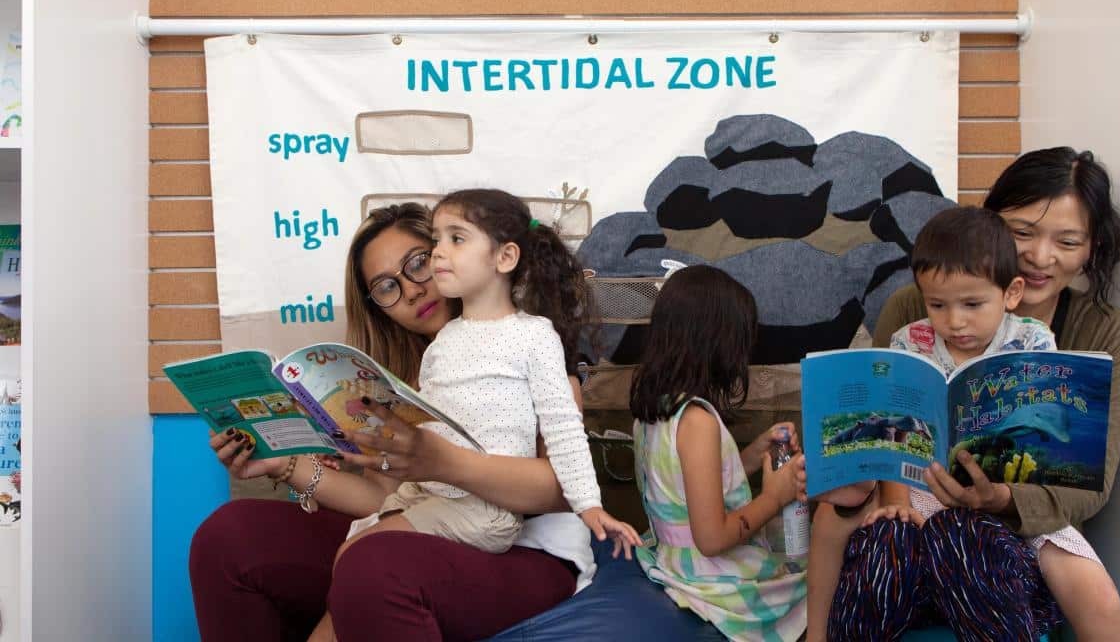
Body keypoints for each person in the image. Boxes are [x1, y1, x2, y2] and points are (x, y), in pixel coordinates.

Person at [190, 202, 598, 642]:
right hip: (418, 528)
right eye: (387, 287)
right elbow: (381, 498)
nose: (412, 291)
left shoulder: (525, 346)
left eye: (418, 263)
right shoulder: (390, 383)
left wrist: (442, 462)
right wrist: (283, 464)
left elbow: (561, 490)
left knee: (373, 563)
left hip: (524, 550)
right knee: (227, 536)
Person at [806, 147, 1120, 641]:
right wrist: (880, 492)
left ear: (1091, 248)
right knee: (859, 527)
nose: (1042, 255)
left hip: (1013, 522)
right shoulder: (913, 316)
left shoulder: (1066, 337)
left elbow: (1087, 481)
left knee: (1089, 590)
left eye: (1067, 240)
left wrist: (997, 497)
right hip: (917, 499)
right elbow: (884, 433)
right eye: (1023, 232)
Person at [309, 189, 641, 640]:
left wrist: (591, 507)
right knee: (349, 554)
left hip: (492, 514)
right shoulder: (441, 350)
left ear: (504, 258)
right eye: (438, 242)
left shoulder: (533, 337)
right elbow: (423, 442)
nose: (437, 258)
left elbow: (564, 435)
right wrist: (350, 450)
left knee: (362, 559)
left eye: (449, 243)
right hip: (432, 496)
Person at [630, 264, 871, 642]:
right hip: (713, 579)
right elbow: (711, 539)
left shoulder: (657, 411)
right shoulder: (698, 422)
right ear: (718, 343)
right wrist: (777, 496)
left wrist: (754, 451)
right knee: (823, 579)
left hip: (673, 559)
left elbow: (692, 483)